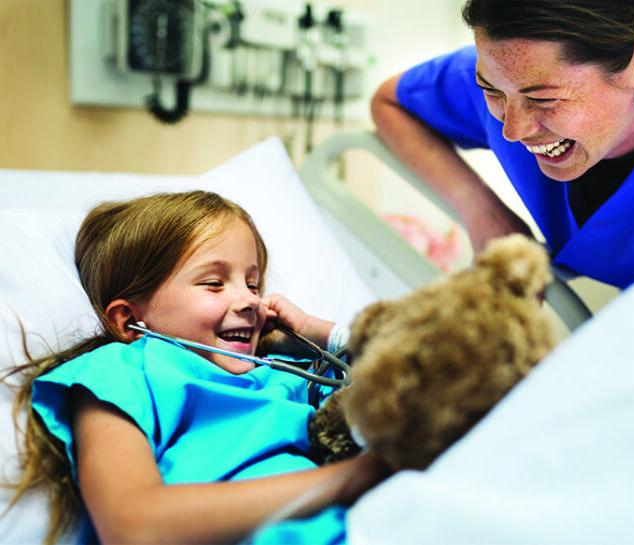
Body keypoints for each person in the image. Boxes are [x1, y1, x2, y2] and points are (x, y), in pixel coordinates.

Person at [1, 191, 389, 545]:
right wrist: (353, 479)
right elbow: (132, 526)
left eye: (253, 284)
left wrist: (323, 336)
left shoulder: (293, 370)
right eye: (213, 283)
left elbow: (413, 381)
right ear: (128, 319)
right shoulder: (122, 372)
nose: (249, 301)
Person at [371, 0, 634, 289]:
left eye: (543, 99)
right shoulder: (516, 68)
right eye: (492, 91)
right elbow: (390, 103)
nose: (513, 131)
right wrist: (481, 211)